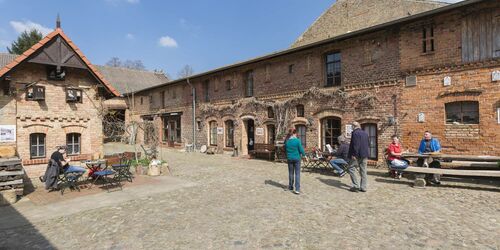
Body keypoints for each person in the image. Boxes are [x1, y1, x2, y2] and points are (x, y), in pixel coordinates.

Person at [347, 122, 370, 192]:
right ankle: (364, 187)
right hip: (365, 154)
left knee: (351, 168)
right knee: (363, 171)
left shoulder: (355, 133)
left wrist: (354, 154)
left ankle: (356, 185)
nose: (351, 128)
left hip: (356, 155)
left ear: (354, 126)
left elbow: (355, 145)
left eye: (352, 127)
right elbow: (368, 144)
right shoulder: (365, 133)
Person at [284, 128, 306, 195]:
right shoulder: (297, 141)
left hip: (289, 158)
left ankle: (290, 186)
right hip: (297, 158)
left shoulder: (287, 141)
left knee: (291, 173)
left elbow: (285, 149)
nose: (297, 134)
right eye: (296, 133)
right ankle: (297, 189)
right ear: (294, 133)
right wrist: (304, 155)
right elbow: (301, 150)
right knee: (297, 174)